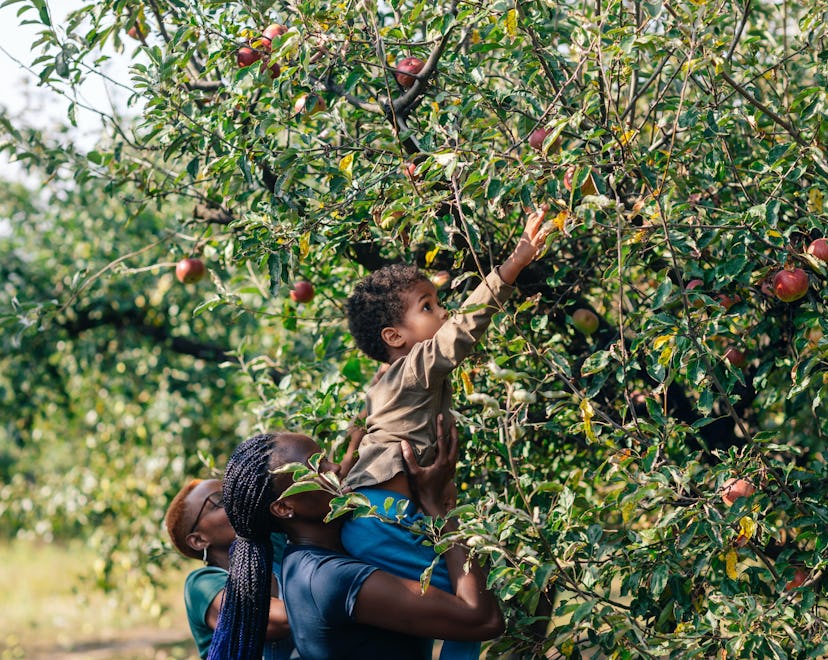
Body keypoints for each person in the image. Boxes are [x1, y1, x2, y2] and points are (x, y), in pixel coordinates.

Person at [341, 204, 550, 657]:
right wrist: (513, 264)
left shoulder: (380, 385)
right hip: (387, 518)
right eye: (428, 306)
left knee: (468, 600)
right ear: (395, 337)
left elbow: (354, 437)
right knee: (490, 593)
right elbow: (462, 332)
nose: (443, 311)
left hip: (380, 519)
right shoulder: (414, 368)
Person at [207, 420, 504, 660]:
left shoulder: (308, 556)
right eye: (316, 469)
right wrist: (441, 509)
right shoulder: (328, 578)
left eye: (326, 459)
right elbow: (482, 619)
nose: (335, 469)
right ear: (284, 508)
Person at [165, 478, 294, 659]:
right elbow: (279, 621)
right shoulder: (202, 585)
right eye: (220, 501)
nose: (237, 500)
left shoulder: (271, 546)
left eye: (233, 492)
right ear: (199, 540)